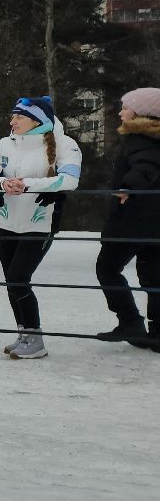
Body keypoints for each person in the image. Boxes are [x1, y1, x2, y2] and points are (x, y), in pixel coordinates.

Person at [0, 96, 82, 359]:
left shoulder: (65, 144)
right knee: (12, 282)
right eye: (13, 116)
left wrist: (28, 185)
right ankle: (24, 334)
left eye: (19, 116)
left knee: (18, 279)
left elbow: (70, 180)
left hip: (40, 222)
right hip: (5, 222)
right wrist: (2, 184)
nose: (12, 121)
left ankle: (36, 339)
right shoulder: (3, 144)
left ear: (37, 120)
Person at [94, 87, 160, 350]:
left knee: (107, 269)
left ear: (141, 113)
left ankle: (129, 321)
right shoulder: (154, 137)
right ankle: (157, 332)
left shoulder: (139, 138)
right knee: (154, 276)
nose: (121, 113)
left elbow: (146, 166)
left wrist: (128, 187)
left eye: (125, 108)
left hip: (132, 219)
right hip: (154, 222)